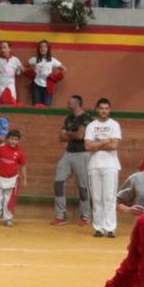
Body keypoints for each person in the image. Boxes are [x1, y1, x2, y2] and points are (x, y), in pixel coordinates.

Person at [85, 97, 122, 239]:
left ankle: (110, 228)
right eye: (101, 108)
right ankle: (98, 227)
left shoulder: (114, 125)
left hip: (111, 165)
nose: (104, 111)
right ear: (97, 109)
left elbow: (114, 145)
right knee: (96, 198)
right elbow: (88, 146)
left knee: (109, 197)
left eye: (106, 108)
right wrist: (106, 141)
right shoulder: (91, 126)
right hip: (94, 165)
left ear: (109, 110)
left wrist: (97, 143)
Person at [53, 95, 93, 228]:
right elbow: (60, 137)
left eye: (69, 103)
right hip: (68, 153)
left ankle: (86, 216)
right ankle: (61, 215)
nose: (67, 104)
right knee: (58, 181)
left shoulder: (86, 118)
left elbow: (81, 135)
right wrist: (72, 134)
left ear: (76, 104)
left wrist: (68, 133)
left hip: (82, 153)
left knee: (83, 186)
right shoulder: (69, 118)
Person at [0, 129, 26, 227]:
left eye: (15, 139)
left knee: (8, 200)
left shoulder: (19, 153)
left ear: (18, 141)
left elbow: (23, 166)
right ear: (7, 139)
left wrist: (24, 179)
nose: (13, 141)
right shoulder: (1, 149)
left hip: (12, 179)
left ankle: (8, 219)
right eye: (11, 139)